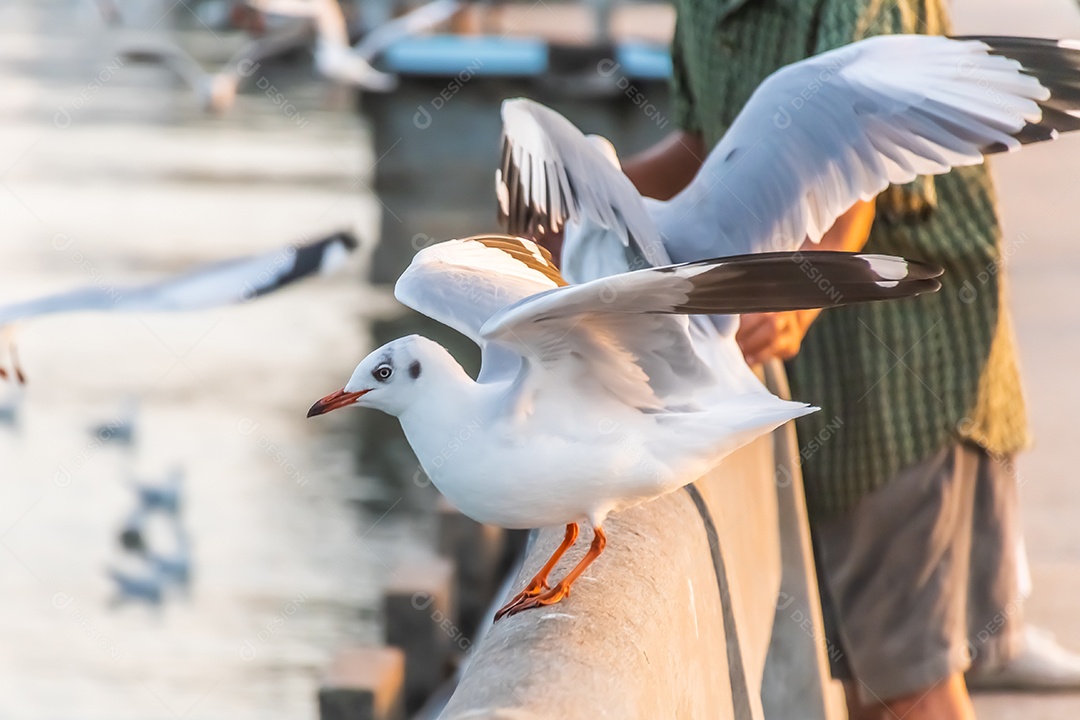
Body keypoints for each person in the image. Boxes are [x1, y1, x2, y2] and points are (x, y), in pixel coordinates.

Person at [620, 0, 1031, 717]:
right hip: (809, 378)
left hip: (910, 368)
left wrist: (799, 294)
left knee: (910, 688)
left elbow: (862, 162)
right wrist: (590, 191)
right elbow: (704, 144)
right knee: (857, 681)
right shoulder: (702, 8)